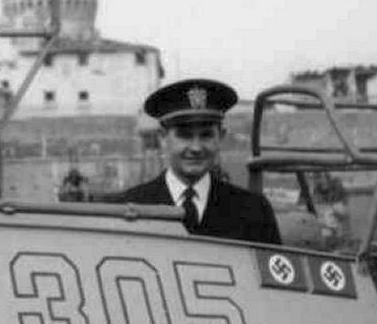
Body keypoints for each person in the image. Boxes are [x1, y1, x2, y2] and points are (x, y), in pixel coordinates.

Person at [113, 78, 281, 244]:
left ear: (220, 137)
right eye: (185, 136)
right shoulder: (127, 210)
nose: (196, 147)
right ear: (163, 137)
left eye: (206, 135)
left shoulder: (254, 211)